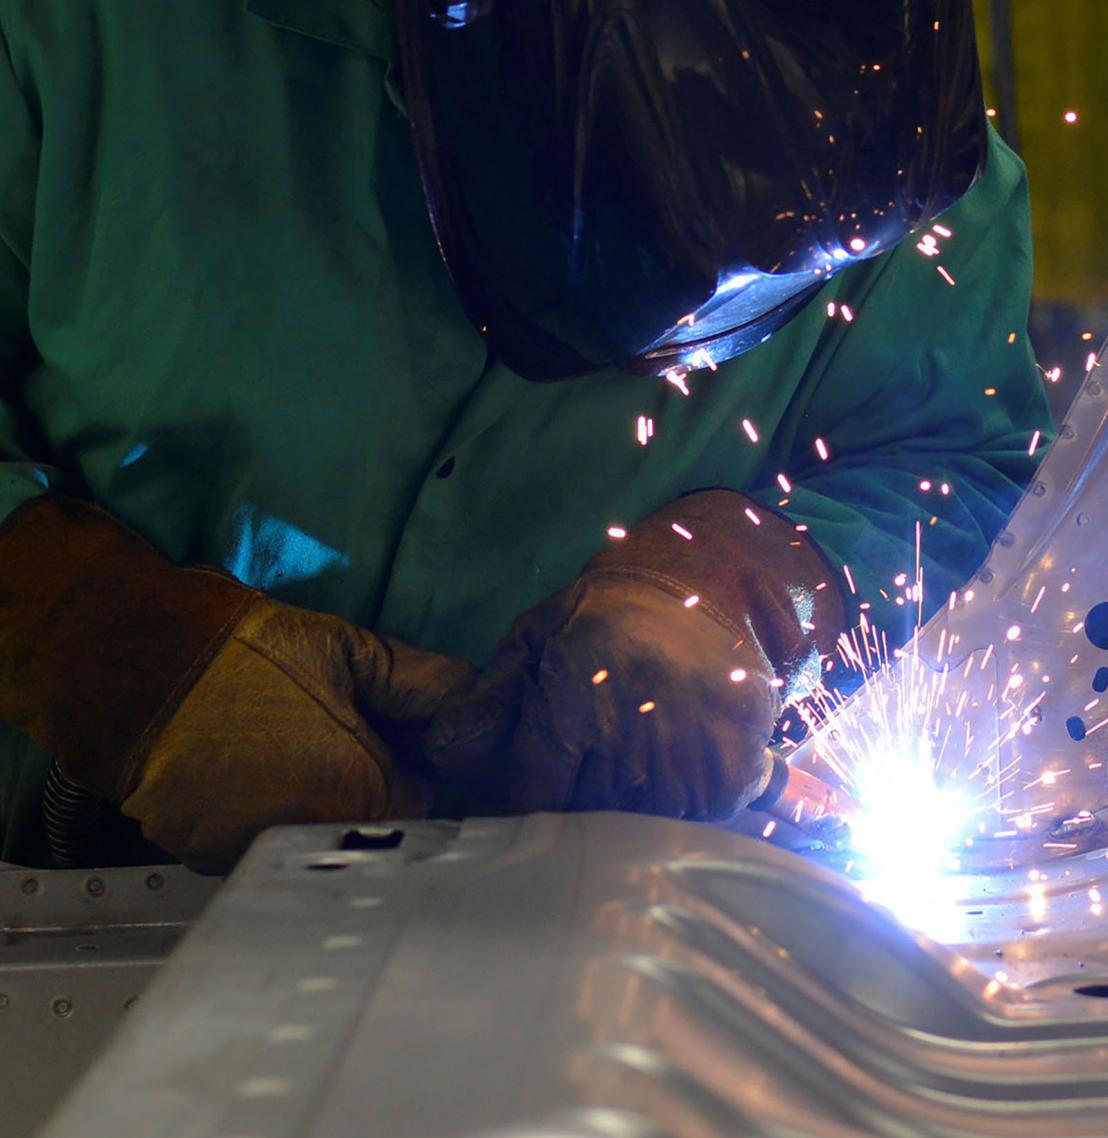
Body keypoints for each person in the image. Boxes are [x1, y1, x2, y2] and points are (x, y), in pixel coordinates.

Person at [0, 0, 1050, 872]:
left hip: (562, 929)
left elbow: (950, 462)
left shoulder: (899, 156)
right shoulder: (86, 37)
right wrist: (113, 646)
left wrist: (752, 592)